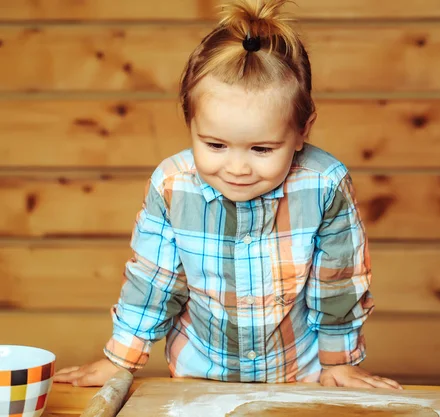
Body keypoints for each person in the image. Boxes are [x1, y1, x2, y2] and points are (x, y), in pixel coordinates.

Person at [54, 0, 400, 390]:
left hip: (296, 375)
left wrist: (338, 362)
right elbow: (154, 279)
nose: (237, 168)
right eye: (215, 145)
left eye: (262, 149)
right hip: (198, 375)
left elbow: (338, 279)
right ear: (191, 122)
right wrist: (122, 358)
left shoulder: (325, 185)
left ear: (303, 130)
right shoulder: (172, 185)